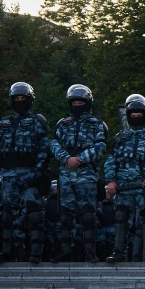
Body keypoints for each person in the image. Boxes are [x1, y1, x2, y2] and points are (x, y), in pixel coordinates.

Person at [103, 94, 145, 263]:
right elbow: (111, 160)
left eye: (139, 115)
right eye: (133, 115)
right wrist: (110, 180)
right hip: (124, 186)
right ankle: (118, 252)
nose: (136, 117)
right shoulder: (120, 138)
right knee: (121, 216)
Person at [49, 84, 108, 263]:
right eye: (74, 102)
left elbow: (101, 146)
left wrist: (80, 159)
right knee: (65, 214)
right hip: (66, 174)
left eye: (81, 101)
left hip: (86, 174)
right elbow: (54, 144)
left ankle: (90, 251)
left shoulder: (97, 124)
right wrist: (66, 158)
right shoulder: (62, 123)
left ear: (88, 103)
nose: (77, 104)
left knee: (88, 214)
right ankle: (65, 250)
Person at [0, 82, 51, 264]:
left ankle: (36, 253)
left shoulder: (37, 121)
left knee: (34, 213)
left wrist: (40, 171)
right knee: (8, 214)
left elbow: (44, 147)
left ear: (30, 100)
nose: (20, 101)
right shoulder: (4, 122)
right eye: (16, 98)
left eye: (23, 98)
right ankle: (8, 250)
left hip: (29, 173)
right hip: (9, 174)